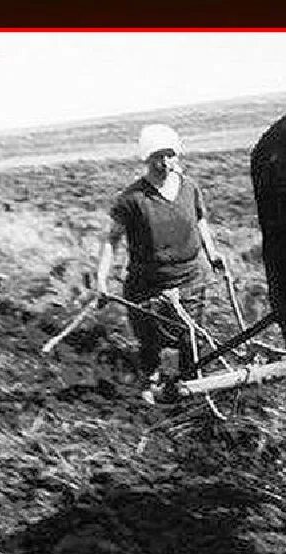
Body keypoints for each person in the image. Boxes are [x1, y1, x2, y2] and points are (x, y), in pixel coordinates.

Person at [96, 123, 226, 401]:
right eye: (158, 156)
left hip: (191, 278)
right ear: (146, 158)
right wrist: (101, 280)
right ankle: (150, 383)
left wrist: (212, 253)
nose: (165, 162)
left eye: (170, 155)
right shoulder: (131, 199)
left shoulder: (189, 187)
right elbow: (111, 240)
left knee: (190, 337)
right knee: (149, 343)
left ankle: (191, 388)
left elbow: (200, 221)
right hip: (147, 286)